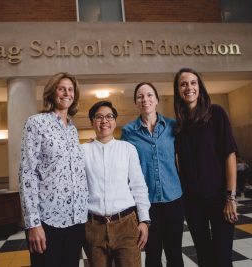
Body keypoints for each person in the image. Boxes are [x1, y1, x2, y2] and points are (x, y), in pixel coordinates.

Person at [18, 72, 88, 267]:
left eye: (70, 89)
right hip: (48, 221)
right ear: (52, 93)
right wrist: (33, 224)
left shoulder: (72, 129)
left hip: (76, 220)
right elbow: (27, 174)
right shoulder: (36, 123)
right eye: (61, 88)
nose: (67, 93)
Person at [173, 68, 238, 267]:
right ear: (178, 90)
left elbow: (230, 155)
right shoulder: (180, 125)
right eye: (183, 84)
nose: (189, 87)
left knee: (223, 256)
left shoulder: (216, 113)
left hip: (220, 199)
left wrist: (231, 197)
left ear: (200, 87)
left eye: (193, 82)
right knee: (204, 257)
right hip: (193, 203)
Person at [121, 82, 184, 267]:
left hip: (174, 200)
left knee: (175, 254)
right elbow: (122, 162)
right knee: (152, 255)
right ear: (136, 102)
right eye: (140, 96)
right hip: (146, 205)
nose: (145, 99)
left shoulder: (173, 126)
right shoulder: (128, 131)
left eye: (149, 95)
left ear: (156, 99)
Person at [82, 101, 151, 267]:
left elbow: (138, 186)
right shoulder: (82, 151)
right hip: (93, 226)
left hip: (126, 224)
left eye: (109, 116)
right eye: (99, 117)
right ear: (92, 122)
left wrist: (144, 220)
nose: (104, 120)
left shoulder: (127, 149)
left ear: (115, 121)